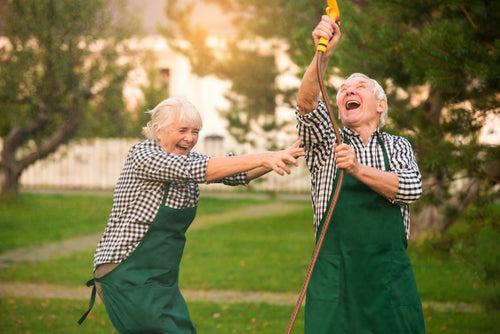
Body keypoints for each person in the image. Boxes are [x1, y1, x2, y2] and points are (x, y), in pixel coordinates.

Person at [79, 96, 305, 333]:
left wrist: (285, 154)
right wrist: (263, 156)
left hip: (162, 279)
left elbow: (238, 174)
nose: (190, 138)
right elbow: (198, 170)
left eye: (195, 131)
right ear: (158, 131)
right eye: (183, 130)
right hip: (126, 273)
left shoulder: (186, 157)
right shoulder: (143, 155)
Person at [295, 16, 425, 333]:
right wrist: (322, 54)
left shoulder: (397, 146)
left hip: (388, 280)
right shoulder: (327, 140)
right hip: (334, 279)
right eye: (343, 90)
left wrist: (356, 169)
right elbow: (307, 103)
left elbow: (410, 188)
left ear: (380, 105)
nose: (348, 91)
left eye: (359, 87)